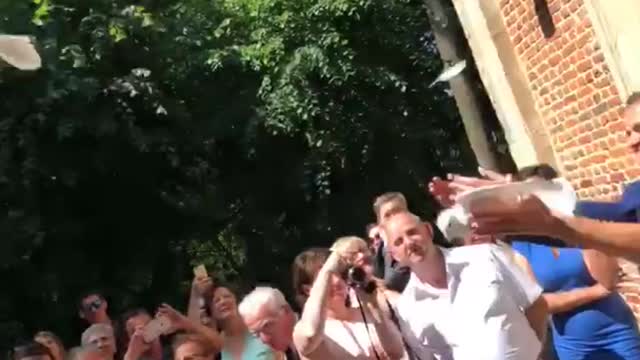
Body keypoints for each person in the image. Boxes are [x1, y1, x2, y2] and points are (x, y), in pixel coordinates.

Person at [382, 211, 548, 360]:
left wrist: (534, 353)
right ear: (393, 255)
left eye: (412, 232)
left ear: (428, 230)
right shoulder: (408, 308)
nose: (409, 242)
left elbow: (535, 305)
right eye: (398, 241)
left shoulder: (485, 256)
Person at [291, 242, 406, 360]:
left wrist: (372, 303)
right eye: (328, 278)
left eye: (340, 274)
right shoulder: (303, 330)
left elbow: (397, 352)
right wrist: (328, 268)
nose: (337, 282)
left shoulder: (368, 313)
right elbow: (310, 334)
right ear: (307, 290)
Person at [187, 278, 276, 360]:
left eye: (227, 296)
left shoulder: (261, 329)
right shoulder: (216, 346)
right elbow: (193, 339)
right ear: (212, 313)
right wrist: (195, 294)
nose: (223, 301)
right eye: (217, 301)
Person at [238, 287, 299, 359]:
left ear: (286, 310)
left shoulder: (312, 336)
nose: (264, 339)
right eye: (256, 334)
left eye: (267, 326)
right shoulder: (283, 353)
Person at [371, 192, 412, 292]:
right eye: (387, 215)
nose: (394, 218)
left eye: (398, 211)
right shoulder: (381, 253)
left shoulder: (424, 236)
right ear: (380, 222)